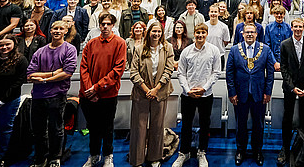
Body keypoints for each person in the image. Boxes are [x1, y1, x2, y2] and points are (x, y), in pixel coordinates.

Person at [26, 21, 78, 167]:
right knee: (38, 130)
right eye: (55, 28)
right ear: (50, 30)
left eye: (61, 29)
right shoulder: (40, 51)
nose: (57, 31)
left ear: (65, 31)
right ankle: (40, 158)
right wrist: (52, 74)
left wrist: (43, 79)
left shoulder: (70, 49)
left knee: (56, 129)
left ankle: (55, 157)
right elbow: (29, 74)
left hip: (57, 96)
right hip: (38, 96)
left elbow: (67, 72)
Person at [80, 14, 126, 167]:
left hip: (108, 94)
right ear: (99, 25)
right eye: (102, 24)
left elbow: (117, 70)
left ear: (113, 25)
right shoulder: (91, 43)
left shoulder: (120, 43)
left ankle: (108, 155)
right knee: (92, 127)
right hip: (90, 95)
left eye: (108, 24)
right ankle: (94, 155)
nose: (105, 26)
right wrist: (89, 89)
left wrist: (97, 87)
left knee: (107, 126)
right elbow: (84, 68)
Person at [226, 23, 275, 166]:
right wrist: (232, 92)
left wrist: (268, 92)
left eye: (252, 32)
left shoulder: (265, 50)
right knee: (240, 124)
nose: (249, 34)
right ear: (242, 34)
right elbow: (229, 73)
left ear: (256, 34)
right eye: (247, 32)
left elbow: (270, 74)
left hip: (259, 94)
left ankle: (257, 151)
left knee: (258, 125)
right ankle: (240, 150)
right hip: (240, 94)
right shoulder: (235, 50)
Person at [172, 23, 221, 167]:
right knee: (186, 124)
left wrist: (204, 88)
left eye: (203, 33)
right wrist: (188, 90)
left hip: (206, 95)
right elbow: (181, 73)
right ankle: (184, 153)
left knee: (205, 124)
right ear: (194, 34)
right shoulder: (186, 51)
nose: (200, 35)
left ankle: (202, 152)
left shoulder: (214, 51)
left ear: (206, 34)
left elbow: (216, 72)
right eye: (198, 33)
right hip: (188, 95)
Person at [129, 22, 175, 167]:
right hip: (141, 93)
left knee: (157, 126)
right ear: (148, 32)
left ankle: (155, 157)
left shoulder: (167, 48)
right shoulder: (139, 48)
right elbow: (133, 72)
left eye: (159, 31)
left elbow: (169, 70)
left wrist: (156, 89)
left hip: (160, 93)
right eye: (153, 31)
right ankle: (137, 159)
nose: (156, 34)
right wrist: (146, 89)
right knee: (139, 127)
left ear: (162, 33)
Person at [277, 18, 304, 165]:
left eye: (300, 26)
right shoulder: (285, 45)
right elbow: (284, 68)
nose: (298, 29)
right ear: (291, 28)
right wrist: (292, 87)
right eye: (295, 27)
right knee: (287, 118)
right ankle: (285, 148)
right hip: (290, 88)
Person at [0, 34, 28, 167]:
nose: (4, 47)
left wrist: (1, 101)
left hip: (9, 100)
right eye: (1, 45)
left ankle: (0, 157)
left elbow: (18, 83)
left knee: (5, 129)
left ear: (14, 44)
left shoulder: (21, 60)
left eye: (7, 44)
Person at [264, 5, 292, 70]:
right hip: (272, 61)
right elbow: (267, 46)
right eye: (277, 13)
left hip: (286, 61)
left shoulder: (288, 28)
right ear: (274, 14)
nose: (279, 15)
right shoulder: (269, 27)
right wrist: (274, 62)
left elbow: (290, 46)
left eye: (281, 13)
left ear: (284, 14)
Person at [206, 4, 230, 70]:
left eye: (215, 12)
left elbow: (226, 41)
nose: (213, 14)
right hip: (206, 56)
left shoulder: (224, 27)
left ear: (219, 13)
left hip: (219, 56)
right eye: (212, 12)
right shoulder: (204, 26)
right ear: (209, 13)